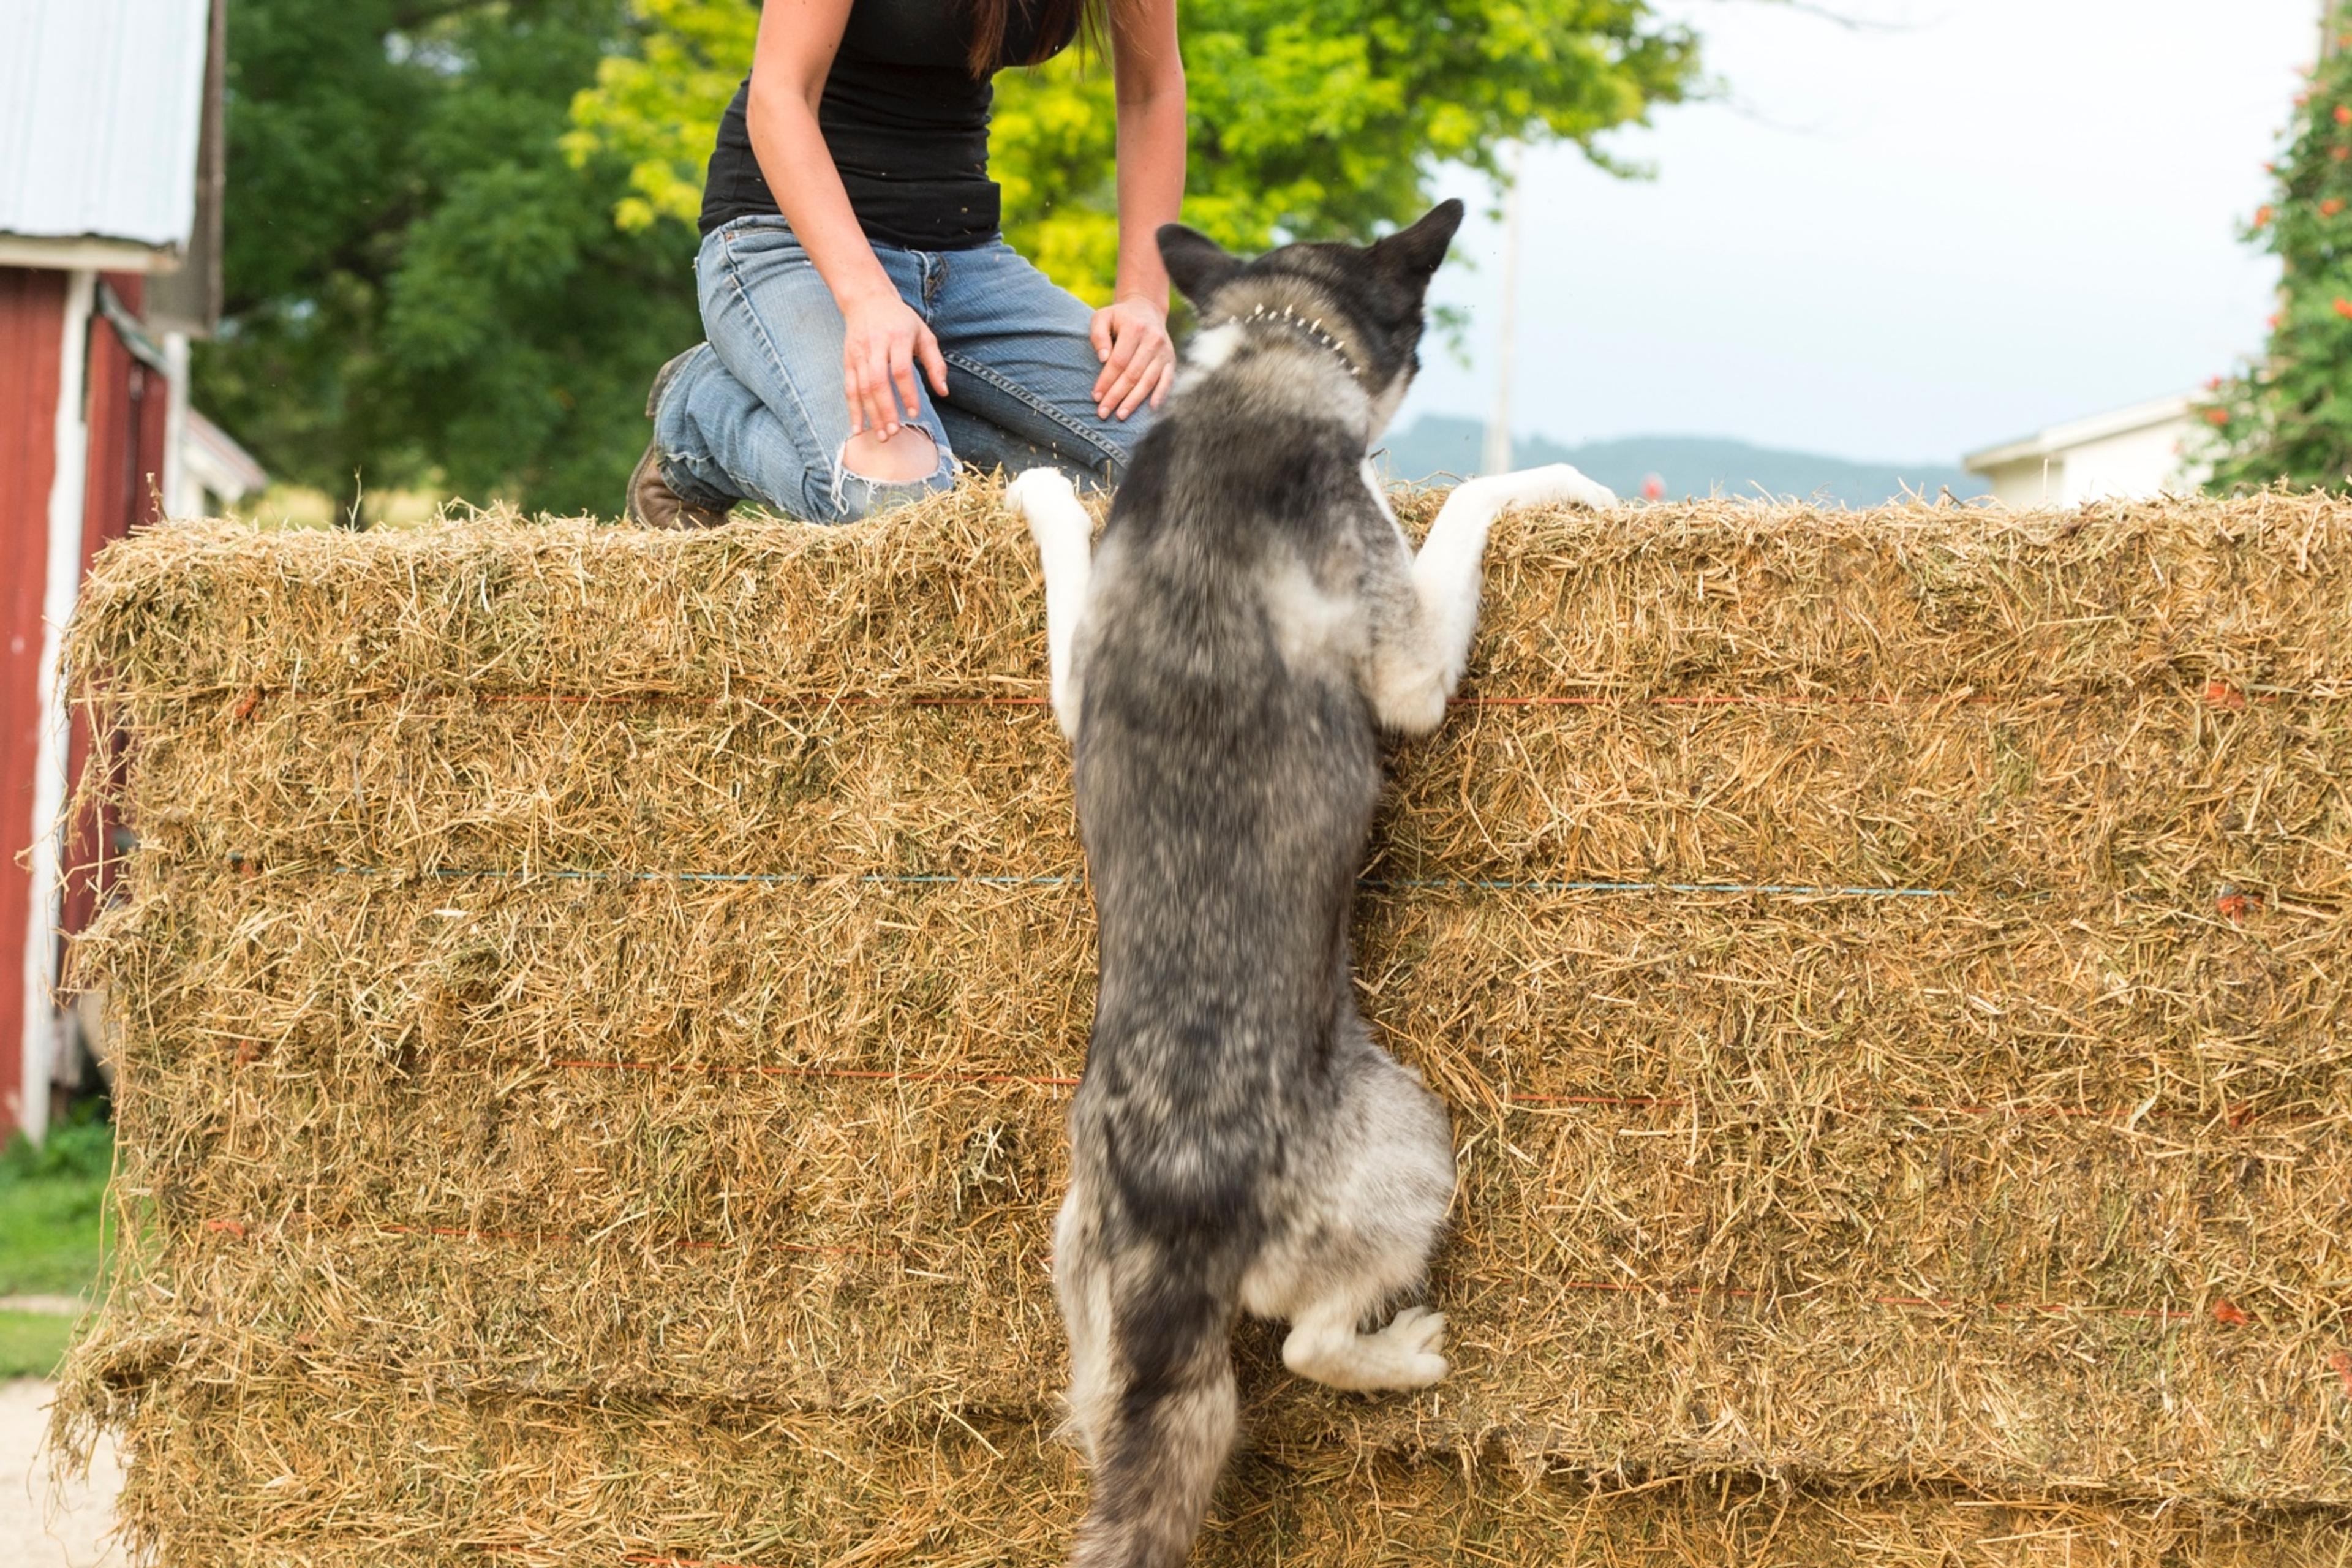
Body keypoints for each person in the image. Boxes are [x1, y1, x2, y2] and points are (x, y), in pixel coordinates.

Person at [627, 0, 1185, 527]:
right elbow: (781, 95)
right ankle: (703, 416)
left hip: (964, 257)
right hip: (787, 239)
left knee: (1186, 471)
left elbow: (1151, 91)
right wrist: (867, 298)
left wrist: (1143, 297)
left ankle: (923, 434)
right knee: (900, 508)